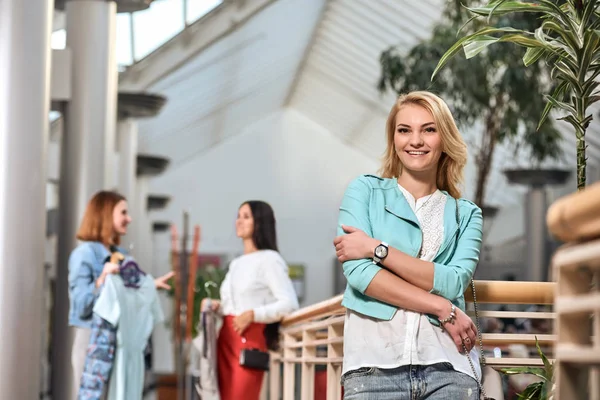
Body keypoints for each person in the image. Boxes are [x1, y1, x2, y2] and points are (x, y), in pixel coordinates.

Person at [333, 91, 484, 399]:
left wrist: (377, 249)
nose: (415, 140)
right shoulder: (364, 191)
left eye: (428, 129)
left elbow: (453, 280)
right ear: (394, 139)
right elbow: (361, 275)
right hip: (372, 368)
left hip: (449, 368)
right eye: (405, 130)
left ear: (444, 138)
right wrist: (441, 306)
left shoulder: (467, 213)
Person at [68, 191, 174, 394]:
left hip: (120, 342)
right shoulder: (84, 255)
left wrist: (149, 286)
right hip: (92, 341)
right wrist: (102, 280)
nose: (129, 219)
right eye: (123, 212)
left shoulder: (122, 255)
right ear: (106, 214)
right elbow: (81, 307)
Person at [203, 200, 299, 400]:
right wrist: (217, 306)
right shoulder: (236, 263)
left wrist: (254, 314)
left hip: (248, 343)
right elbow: (233, 304)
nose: (239, 221)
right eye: (238, 216)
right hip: (225, 341)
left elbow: (289, 304)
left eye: (246, 216)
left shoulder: (270, 260)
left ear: (260, 222)